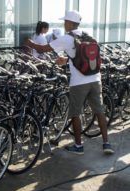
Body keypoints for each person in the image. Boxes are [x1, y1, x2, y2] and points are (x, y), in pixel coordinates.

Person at [25, 10, 114, 155]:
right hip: (95, 78)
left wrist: (29, 42)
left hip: (79, 82)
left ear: (70, 23)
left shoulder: (67, 38)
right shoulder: (89, 36)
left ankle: (78, 146)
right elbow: (85, 56)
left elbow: (43, 49)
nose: (64, 24)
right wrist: (66, 60)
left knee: (75, 113)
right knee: (99, 111)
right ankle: (106, 143)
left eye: (65, 21)